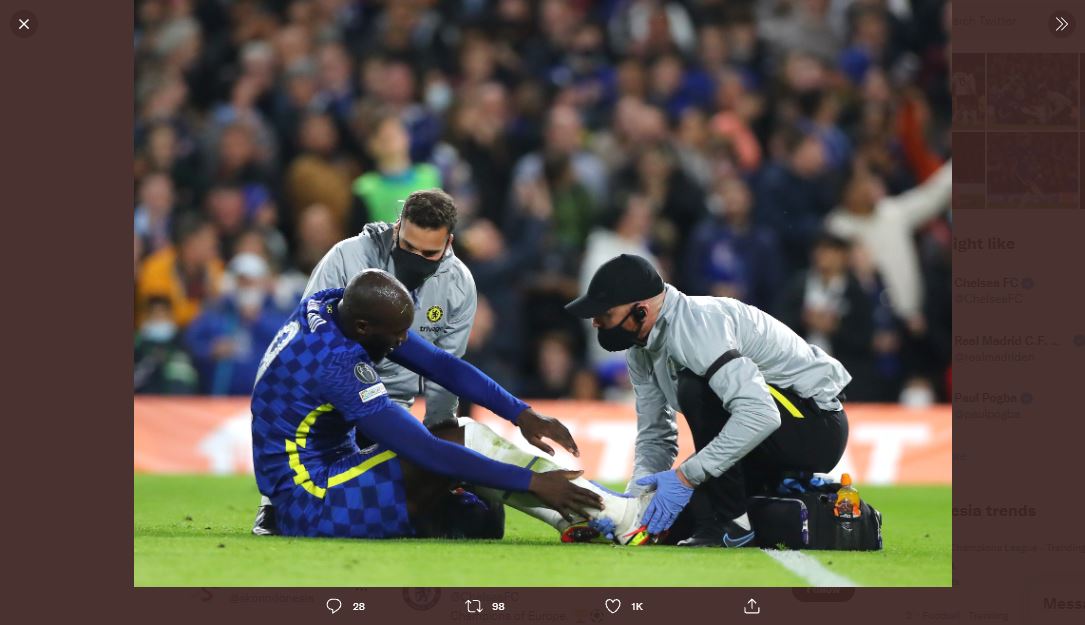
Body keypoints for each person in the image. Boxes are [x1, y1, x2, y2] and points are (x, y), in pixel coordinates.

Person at [252, 269, 647, 541]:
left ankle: (578, 517)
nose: (399, 346)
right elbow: (425, 450)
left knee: (483, 520)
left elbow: (439, 364)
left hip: (325, 469)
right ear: (363, 329)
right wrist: (533, 482)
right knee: (463, 439)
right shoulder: (336, 363)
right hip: (313, 497)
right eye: (394, 338)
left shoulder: (331, 305)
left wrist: (521, 413)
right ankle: (619, 517)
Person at [565, 254, 851, 547]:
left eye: (605, 314)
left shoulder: (698, 326)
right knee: (667, 524)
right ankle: (726, 515)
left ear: (642, 311)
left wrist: (686, 478)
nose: (596, 323)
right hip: (769, 433)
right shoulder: (641, 350)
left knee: (695, 386)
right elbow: (656, 435)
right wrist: (634, 505)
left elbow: (760, 414)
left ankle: (731, 521)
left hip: (815, 425)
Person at [252, 189, 484, 534]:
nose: (417, 259)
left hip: (391, 410)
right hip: (335, 403)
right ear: (397, 227)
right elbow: (307, 329)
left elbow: (445, 366)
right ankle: (273, 504)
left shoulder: (459, 284)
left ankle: (570, 508)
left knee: (466, 496)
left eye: (429, 252)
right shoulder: (347, 257)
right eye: (409, 247)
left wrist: (439, 427)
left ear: (448, 243)